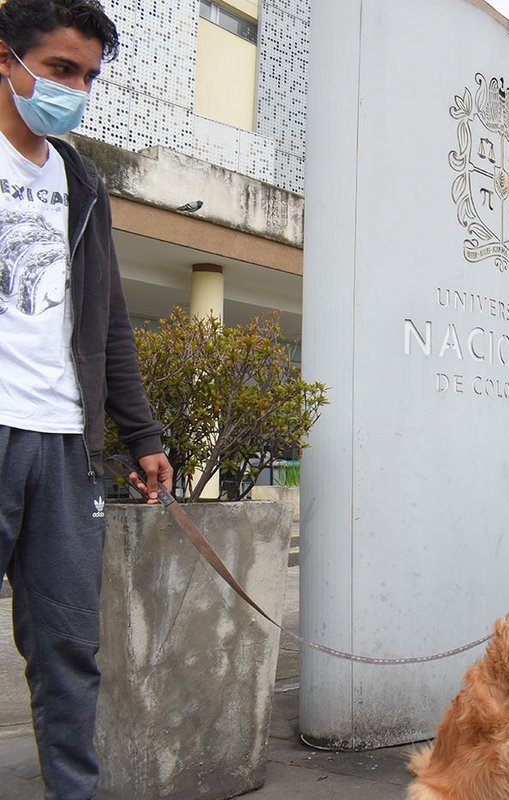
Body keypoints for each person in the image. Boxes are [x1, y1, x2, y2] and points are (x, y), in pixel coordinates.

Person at [0, 2, 171, 798]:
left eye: (89, 77)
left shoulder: (81, 183)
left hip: (65, 444)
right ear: (7, 59)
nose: (75, 90)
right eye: (60, 70)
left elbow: (109, 323)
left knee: (70, 644)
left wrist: (143, 436)